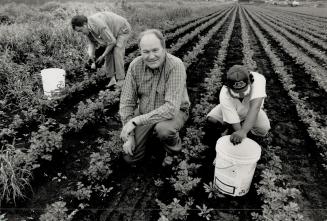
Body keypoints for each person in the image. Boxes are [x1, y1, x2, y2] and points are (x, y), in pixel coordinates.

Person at [119, 29, 190, 166]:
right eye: (146, 52)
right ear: (140, 51)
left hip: (173, 113)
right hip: (145, 112)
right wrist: (130, 136)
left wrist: (135, 121)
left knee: (163, 130)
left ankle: (173, 151)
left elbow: (170, 109)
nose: (151, 56)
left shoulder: (175, 65)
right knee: (130, 158)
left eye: (155, 50)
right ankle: (148, 138)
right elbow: (127, 102)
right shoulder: (135, 66)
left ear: (163, 48)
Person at [206, 65, 270, 145]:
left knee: (263, 129)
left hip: (251, 110)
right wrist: (240, 134)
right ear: (228, 86)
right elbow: (234, 121)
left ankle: (247, 127)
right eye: (237, 92)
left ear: (250, 81)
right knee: (213, 119)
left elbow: (255, 107)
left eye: (243, 91)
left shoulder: (259, 80)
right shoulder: (224, 93)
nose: (241, 95)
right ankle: (228, 126)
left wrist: (243, 131)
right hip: (234, 108)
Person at [71, 12, 131, 86]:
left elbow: (112, 42)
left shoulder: (99, 26)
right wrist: (91, 55)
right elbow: (91, 43)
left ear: (84, 25)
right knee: (109, 51)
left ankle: (121, 79)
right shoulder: (87, 28)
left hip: (122, 29)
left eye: (80, 30)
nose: (81, 33)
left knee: (117, 51)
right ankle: (112, 79)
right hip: (111, 31)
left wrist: (102, 56)